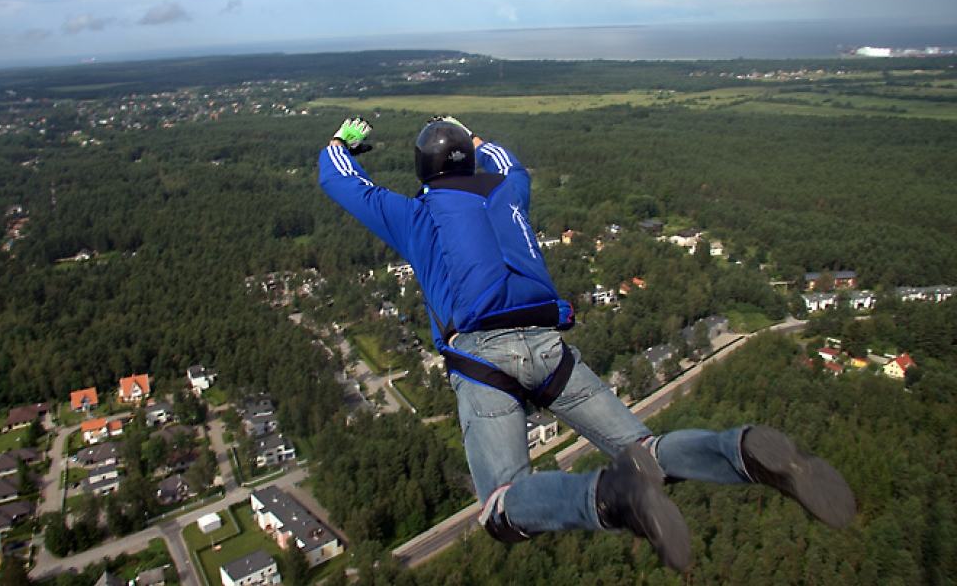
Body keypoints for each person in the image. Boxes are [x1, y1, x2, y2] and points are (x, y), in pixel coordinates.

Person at [318, 116, 855, 571]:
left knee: (503, 510)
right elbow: (512, 166)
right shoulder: (509, 194)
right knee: (646, 454)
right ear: (469, 163)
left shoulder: (417, 217)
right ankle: (743, 451)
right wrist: (479, 143)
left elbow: (344, 183)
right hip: (549, 349)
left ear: (424, 172)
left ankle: (611, 498)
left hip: (482, 359)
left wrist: (340, 144)